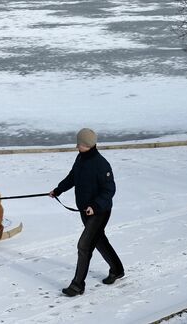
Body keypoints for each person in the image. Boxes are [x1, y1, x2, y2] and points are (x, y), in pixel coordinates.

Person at [50, 127, 125, 296]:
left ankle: (77, 285)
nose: (77, 147)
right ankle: (117, 269)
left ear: (88, 145)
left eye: (80, 144)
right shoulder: (81, 158)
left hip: (99, 212)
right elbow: (72, 177)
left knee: (84, 245)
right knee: (99, 241)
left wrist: (95, 206)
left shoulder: (101, 164)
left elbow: (109, 190)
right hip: (85, 211)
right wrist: (58, 190)